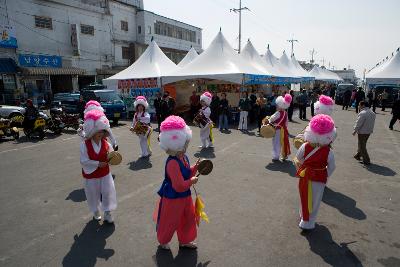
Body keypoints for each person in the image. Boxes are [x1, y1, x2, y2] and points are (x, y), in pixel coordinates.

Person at [155, 115, 200, 250]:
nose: (186, 144)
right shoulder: (173, 162)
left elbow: (186, 173)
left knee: (188, 217)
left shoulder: (183, 157)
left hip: (185, 195)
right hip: (173, 196)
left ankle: (185, 240)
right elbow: (179, 185)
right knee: (170, 220)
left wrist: (195, 168)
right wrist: (192, 181)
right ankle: (163, 240)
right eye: (185, 142)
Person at [294, 114, 336, 231]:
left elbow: (297, 160)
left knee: (303, 196)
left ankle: (303, 218)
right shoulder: (329, 151)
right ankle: (310, 222)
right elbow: (332, 167)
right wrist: (325, 174)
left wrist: (302, 169)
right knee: (316, 200)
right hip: (320, 177)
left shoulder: (304, 145)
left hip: (305, 175)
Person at [80, 109, 117, 223]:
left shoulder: (106, 143)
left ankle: (107, 212)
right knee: (93, 194)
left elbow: (112, 155)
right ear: (91, 131)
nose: (100, 133)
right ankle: (95, 210)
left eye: (102, 130)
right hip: (91, 174)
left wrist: (113, 158)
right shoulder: (84, 145)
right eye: (97, 131)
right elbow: (83, 160)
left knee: (107, 192)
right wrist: (97, 163)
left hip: (105, 173)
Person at [269, 94, 292, 161]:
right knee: (284, 142)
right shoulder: (285, 113)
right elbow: (286, 123)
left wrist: (270, 121)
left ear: (280, 105)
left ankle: (276, 156)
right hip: (284, 129)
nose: (276, 106)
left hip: (278, 130)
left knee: (276, 143)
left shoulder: (278, 113)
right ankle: (285, 155)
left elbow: (271, 119)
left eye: (277, 105)